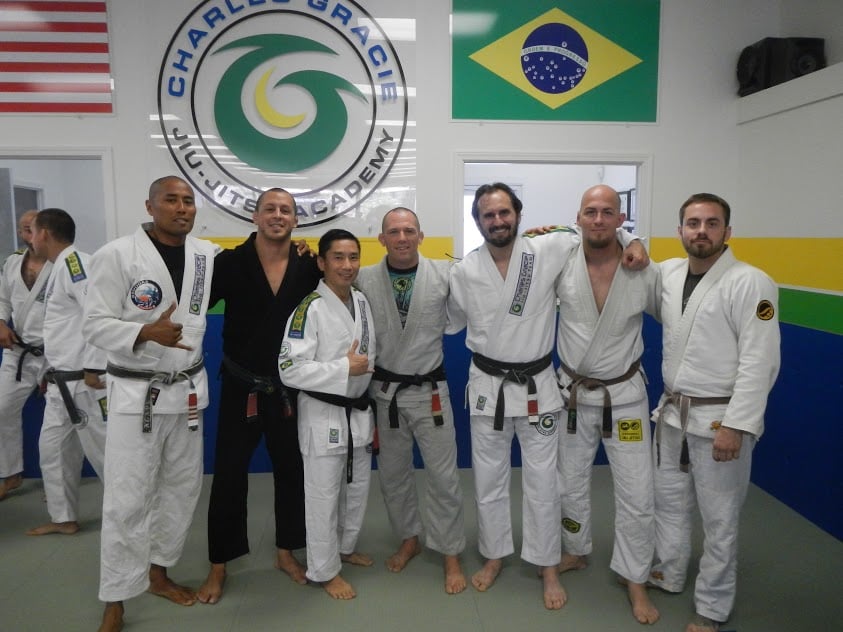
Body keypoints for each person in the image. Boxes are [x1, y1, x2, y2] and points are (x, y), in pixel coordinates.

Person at [447, 183, 646, 610]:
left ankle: (549, 564)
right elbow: (452, 320)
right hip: (487, 389)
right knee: (488, 481)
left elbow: (600, 229)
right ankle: (494, 555)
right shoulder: (464, 272)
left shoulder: (549, 246)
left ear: (518, 215)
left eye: (504, 212)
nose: (497, 221)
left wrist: (635, 242)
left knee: (544, 483)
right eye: (488, 215)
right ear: (477, 220)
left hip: (538, 387)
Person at [83, 176, 219, 632]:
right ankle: (116, 596)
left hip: (188, 392)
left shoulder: (205, 255)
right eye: (171, 200)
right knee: (127, 497)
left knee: (181, 489)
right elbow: (93, 324)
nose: (182, 208)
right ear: (150, 206)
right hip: (136, 394)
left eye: (188, 201)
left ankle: (158, 573)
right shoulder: (117, 255)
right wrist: (143, 331)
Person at [648, 193, 780, 632]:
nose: (701, 231)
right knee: (669, 504)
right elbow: (630, 261)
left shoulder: (752, 282)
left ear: (727, 231)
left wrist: (737, 426)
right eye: (693, 223)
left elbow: (760, 360)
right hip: (673, 414)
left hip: (719, 420)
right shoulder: (668, 274)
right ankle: (669, 572)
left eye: (711, 223)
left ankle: (712, 605)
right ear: (680, 230)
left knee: (720, 520)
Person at [197, 188, 321, 604]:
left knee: (292, 470)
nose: (278, 215)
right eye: (270, 208)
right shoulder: (229, 264)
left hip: (289, 388)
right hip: (241, 384)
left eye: (286, 210)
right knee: (229, 474)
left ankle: (287, 551)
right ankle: (219, 563)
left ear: (296, 220)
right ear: (255, 216)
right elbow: (194, 306)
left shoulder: (308, 266)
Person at [553, 185, 661, 624]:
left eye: (607, 212)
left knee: (637, 490)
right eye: (590, 211)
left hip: (625, 396)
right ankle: (575, 549)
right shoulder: (560, 260)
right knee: (569, 481)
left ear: (621, 219)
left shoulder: (643, 270)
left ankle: (634, 576)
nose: (598, 219)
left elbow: (674, 318)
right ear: (578, 217)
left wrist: (638, 243)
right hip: (573, 394)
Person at [355, 207, 467, 594]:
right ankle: (409, 538)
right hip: (385, 393)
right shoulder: (363, 278)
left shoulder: (446, 273)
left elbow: (486, 276)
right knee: (393, 474)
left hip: (430, 392)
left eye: (408, 231)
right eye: (393, 231)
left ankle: (450, 552)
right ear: (381, 239)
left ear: (421, 236)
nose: (401, 238)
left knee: (444, 476)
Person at [278, 229, 376, 600]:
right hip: (324, 415)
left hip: (357, 412)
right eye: (338, 257)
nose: (347, 265)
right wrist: (342, 368)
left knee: (356, 488)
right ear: (321, 262)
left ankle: (344, 548)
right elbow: (289, 369)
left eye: (353, 257)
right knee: (323, 496)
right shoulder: (309, 309)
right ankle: (323, 569)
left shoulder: (360, 300)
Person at [26, 208, 107, 535]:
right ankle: (64, 518)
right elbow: (61, 328)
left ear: (44, 233)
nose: (30, 239)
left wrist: (93, 367)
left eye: (32, 231)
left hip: (85, 383)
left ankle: (136, 517)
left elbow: (97, 314)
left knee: (106, 455)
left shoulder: (76, 265)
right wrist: (47, 372)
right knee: (53, 450)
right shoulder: (57, 268)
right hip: (60, 381)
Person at [0, 210, 51, 500]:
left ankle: (59, 483)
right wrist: (0, 323)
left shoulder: (63, 264)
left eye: (34, 227)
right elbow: (2, 299)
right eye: (24, 228)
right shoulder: (12, 263)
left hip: (55, 354)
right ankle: (10, 473)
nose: (29, 232)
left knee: (65, 419)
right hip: (18, 352)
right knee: (2, 408)